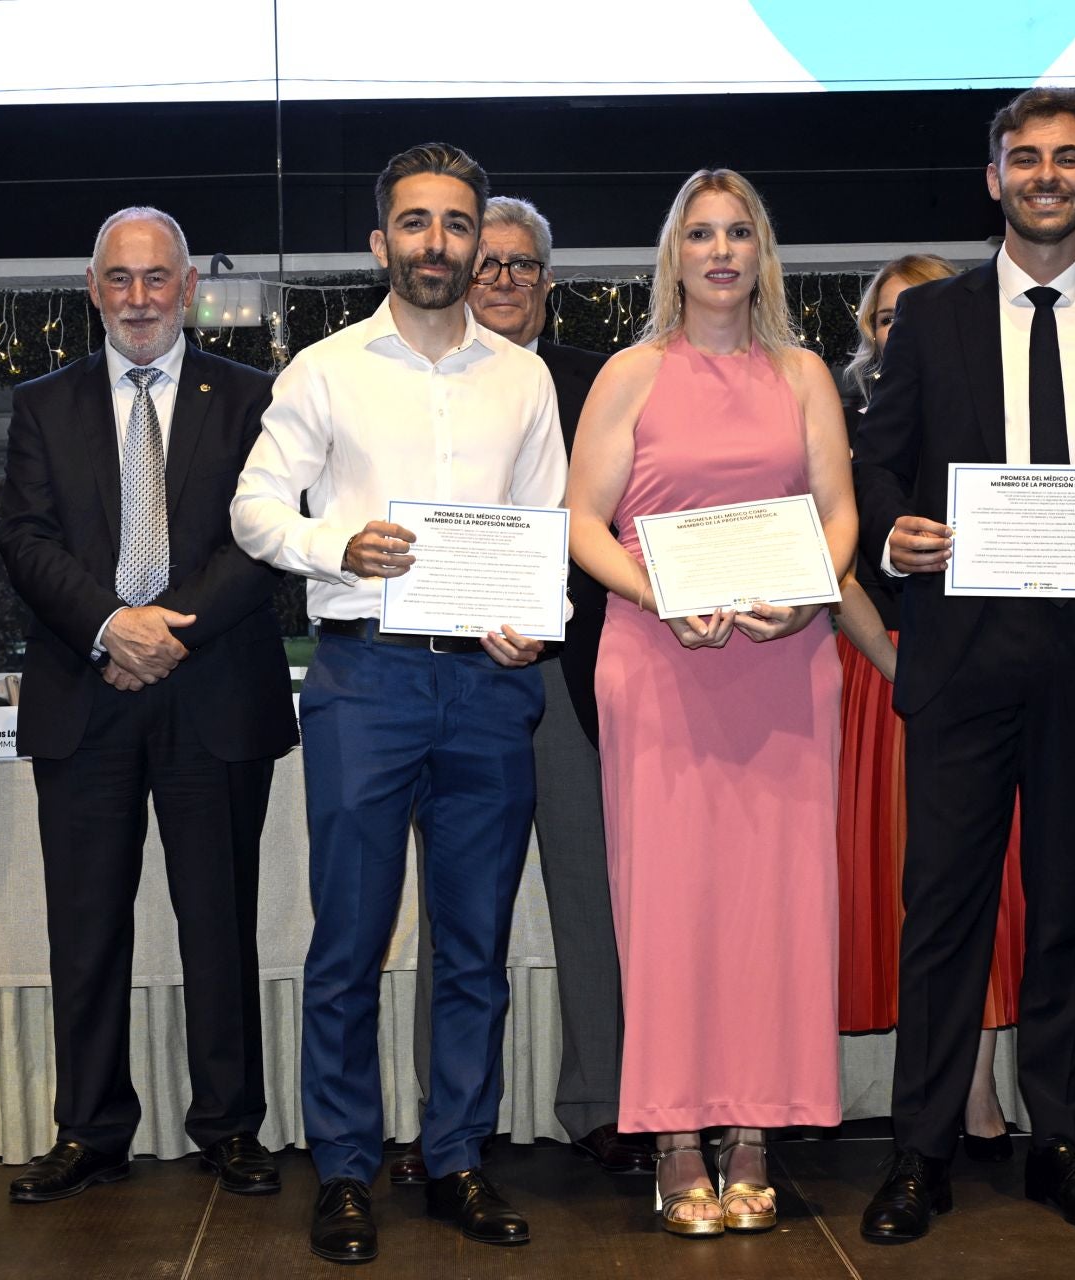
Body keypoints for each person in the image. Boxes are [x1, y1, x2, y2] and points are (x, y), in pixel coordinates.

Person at [852, 87, 1075, 1240]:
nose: (1046, 174)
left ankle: (1061, 1140)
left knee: (1068, 911)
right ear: (993, 178)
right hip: (960, 659)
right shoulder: (934, 318)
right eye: (1025, 157)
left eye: (1068, 158)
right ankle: (920, 1152)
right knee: (942, 911)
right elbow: (875, 467)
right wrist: (891, 530)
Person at [232, 142, 565, 1265]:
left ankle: (459, 1155)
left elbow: (547, 530)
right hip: (363, 679)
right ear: (382, 242)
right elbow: (254, 508)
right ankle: (342, 1168)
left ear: (481, 241)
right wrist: (340, 542)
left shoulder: (524, 379)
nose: (437, 242)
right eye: (415, 223)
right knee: (351, 942)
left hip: (487, 685)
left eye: (457, 224)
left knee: (474, 945)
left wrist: (534, 619)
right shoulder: (324, 370)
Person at [566, 168, 853, 1237]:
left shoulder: (805, 373)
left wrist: (805, 597)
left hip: (784, 664)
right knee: (671, 904)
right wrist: (657, 591)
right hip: (656, 657)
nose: (721, 251)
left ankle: (757, 1133)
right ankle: (677, 1135)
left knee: (777, 904)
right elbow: (582, 523)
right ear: (673, 254)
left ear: (762, 252)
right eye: (701, 234)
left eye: (739, 232)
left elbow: (839, 516)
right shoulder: (630, 375)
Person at [0, 207, 297, 1203]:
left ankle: (228, 1123)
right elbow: (26, 540)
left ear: (187, 289)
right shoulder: (43, 403)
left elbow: (262, 538)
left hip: (211, 692)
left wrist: (166, 628)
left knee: (219, 920)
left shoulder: (255, 396)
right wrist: (113, 628)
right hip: (86, 692)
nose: (137, 298)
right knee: (84, 926)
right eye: (118, 279)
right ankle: (90, 1128)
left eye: (156, 278)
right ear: (93, 289)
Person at [392, 195, 650, 1185]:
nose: (499, 278)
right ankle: (449, 1119)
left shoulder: (603, 385)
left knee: (597, 901)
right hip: (450, 678)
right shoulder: (426, 381)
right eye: (484, 262)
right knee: (459, 913)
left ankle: (606, 1104)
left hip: (574, 678)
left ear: (548, 280)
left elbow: (627, 518)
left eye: (519, 265)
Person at [836, 253, 1025, 1163]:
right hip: (884, 683)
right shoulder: (836, 432)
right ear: (868, 336)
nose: (901, 334)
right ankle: (915, 1102)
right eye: (885, 320)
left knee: (989, 892)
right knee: (911, 893)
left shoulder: (993, 424)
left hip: (983, 678)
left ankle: (980, 1093)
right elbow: (830, 562)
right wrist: (897, 657)